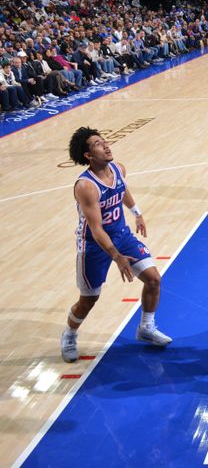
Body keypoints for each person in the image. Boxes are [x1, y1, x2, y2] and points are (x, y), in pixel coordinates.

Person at [63, 127, 171, 363]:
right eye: (98, 144)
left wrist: (136, 213)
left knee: (153, 279)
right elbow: (96, 229)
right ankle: (69, 334)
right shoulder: (85, 186)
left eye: (105, 141)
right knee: (88, 300)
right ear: (88, 155)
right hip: (94, 246)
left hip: (122, 235)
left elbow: (122, 190)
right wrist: (117, 256)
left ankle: (146, 327)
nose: (106, 145)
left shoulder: (118, 168)